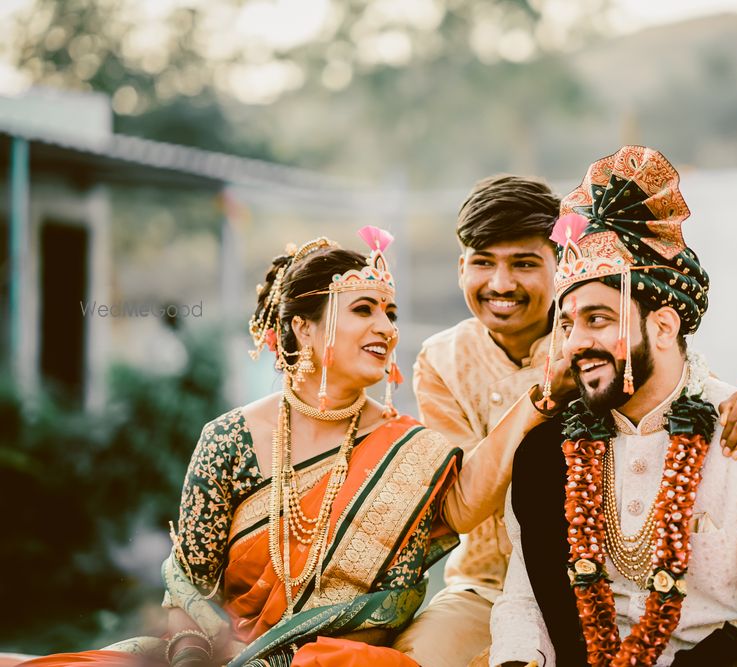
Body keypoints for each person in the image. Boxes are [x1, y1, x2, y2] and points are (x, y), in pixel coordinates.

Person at [20, 228, 539, 667]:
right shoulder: (229, 439)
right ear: (302, 327)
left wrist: (539, 399)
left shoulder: (409, 449)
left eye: (391, 313)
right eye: (365, 310)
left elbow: (466, 502)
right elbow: (187, 592)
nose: (386, 327)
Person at [393, 175, 737, 667]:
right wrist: (537, 402)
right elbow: (460, 507)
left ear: (557, 267)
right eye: (483, 263)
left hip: (619, 586)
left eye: (525, 264)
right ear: (461, 267)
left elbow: (686, 394)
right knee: (417, 658)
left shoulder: (608, 329)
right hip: (492, 584)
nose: (501, 284)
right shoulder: (443, 358)